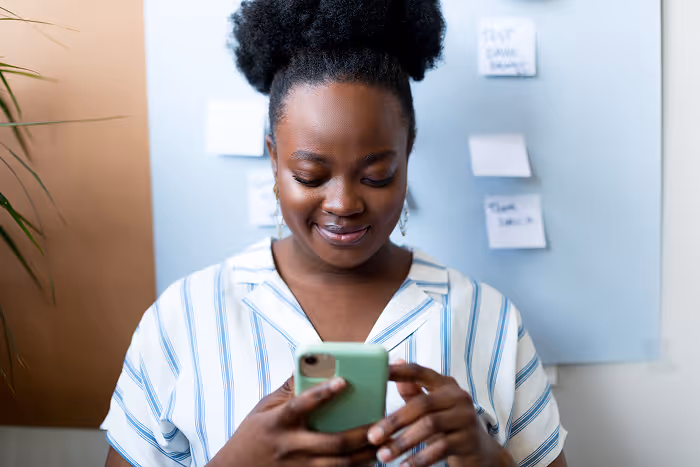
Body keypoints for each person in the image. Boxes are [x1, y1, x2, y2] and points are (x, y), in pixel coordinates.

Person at [103, 0, 567, 466]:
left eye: (378, 175)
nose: (343, 204)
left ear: (408, 153)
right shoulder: (183, 319)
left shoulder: (488, 319)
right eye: (309, 175)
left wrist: (489, 458)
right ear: (273, 159)